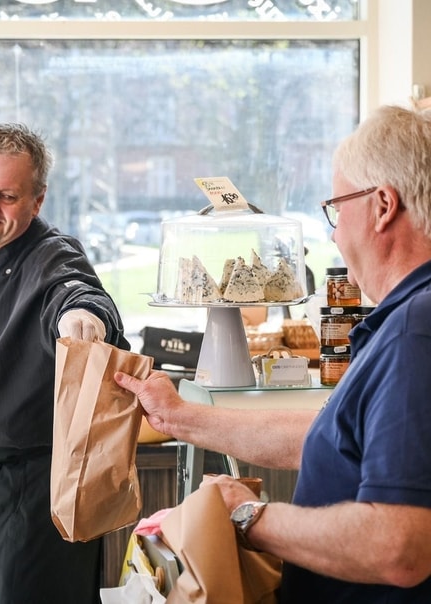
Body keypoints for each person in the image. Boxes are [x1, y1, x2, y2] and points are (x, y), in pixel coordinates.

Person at [114, 104, 431, 603]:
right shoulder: (405, 320)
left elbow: (399, 546)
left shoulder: (415, 332)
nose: (334, 234)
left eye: (336, 209)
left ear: (383, 206)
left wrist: (249, 517)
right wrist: (180, 417)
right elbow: (328, 438)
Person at [0, 123, 130, 604]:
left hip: (34, 498)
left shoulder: (51, 256)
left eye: (7, 195)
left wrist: (84, 315)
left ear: (37, 202)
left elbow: (75, 291)